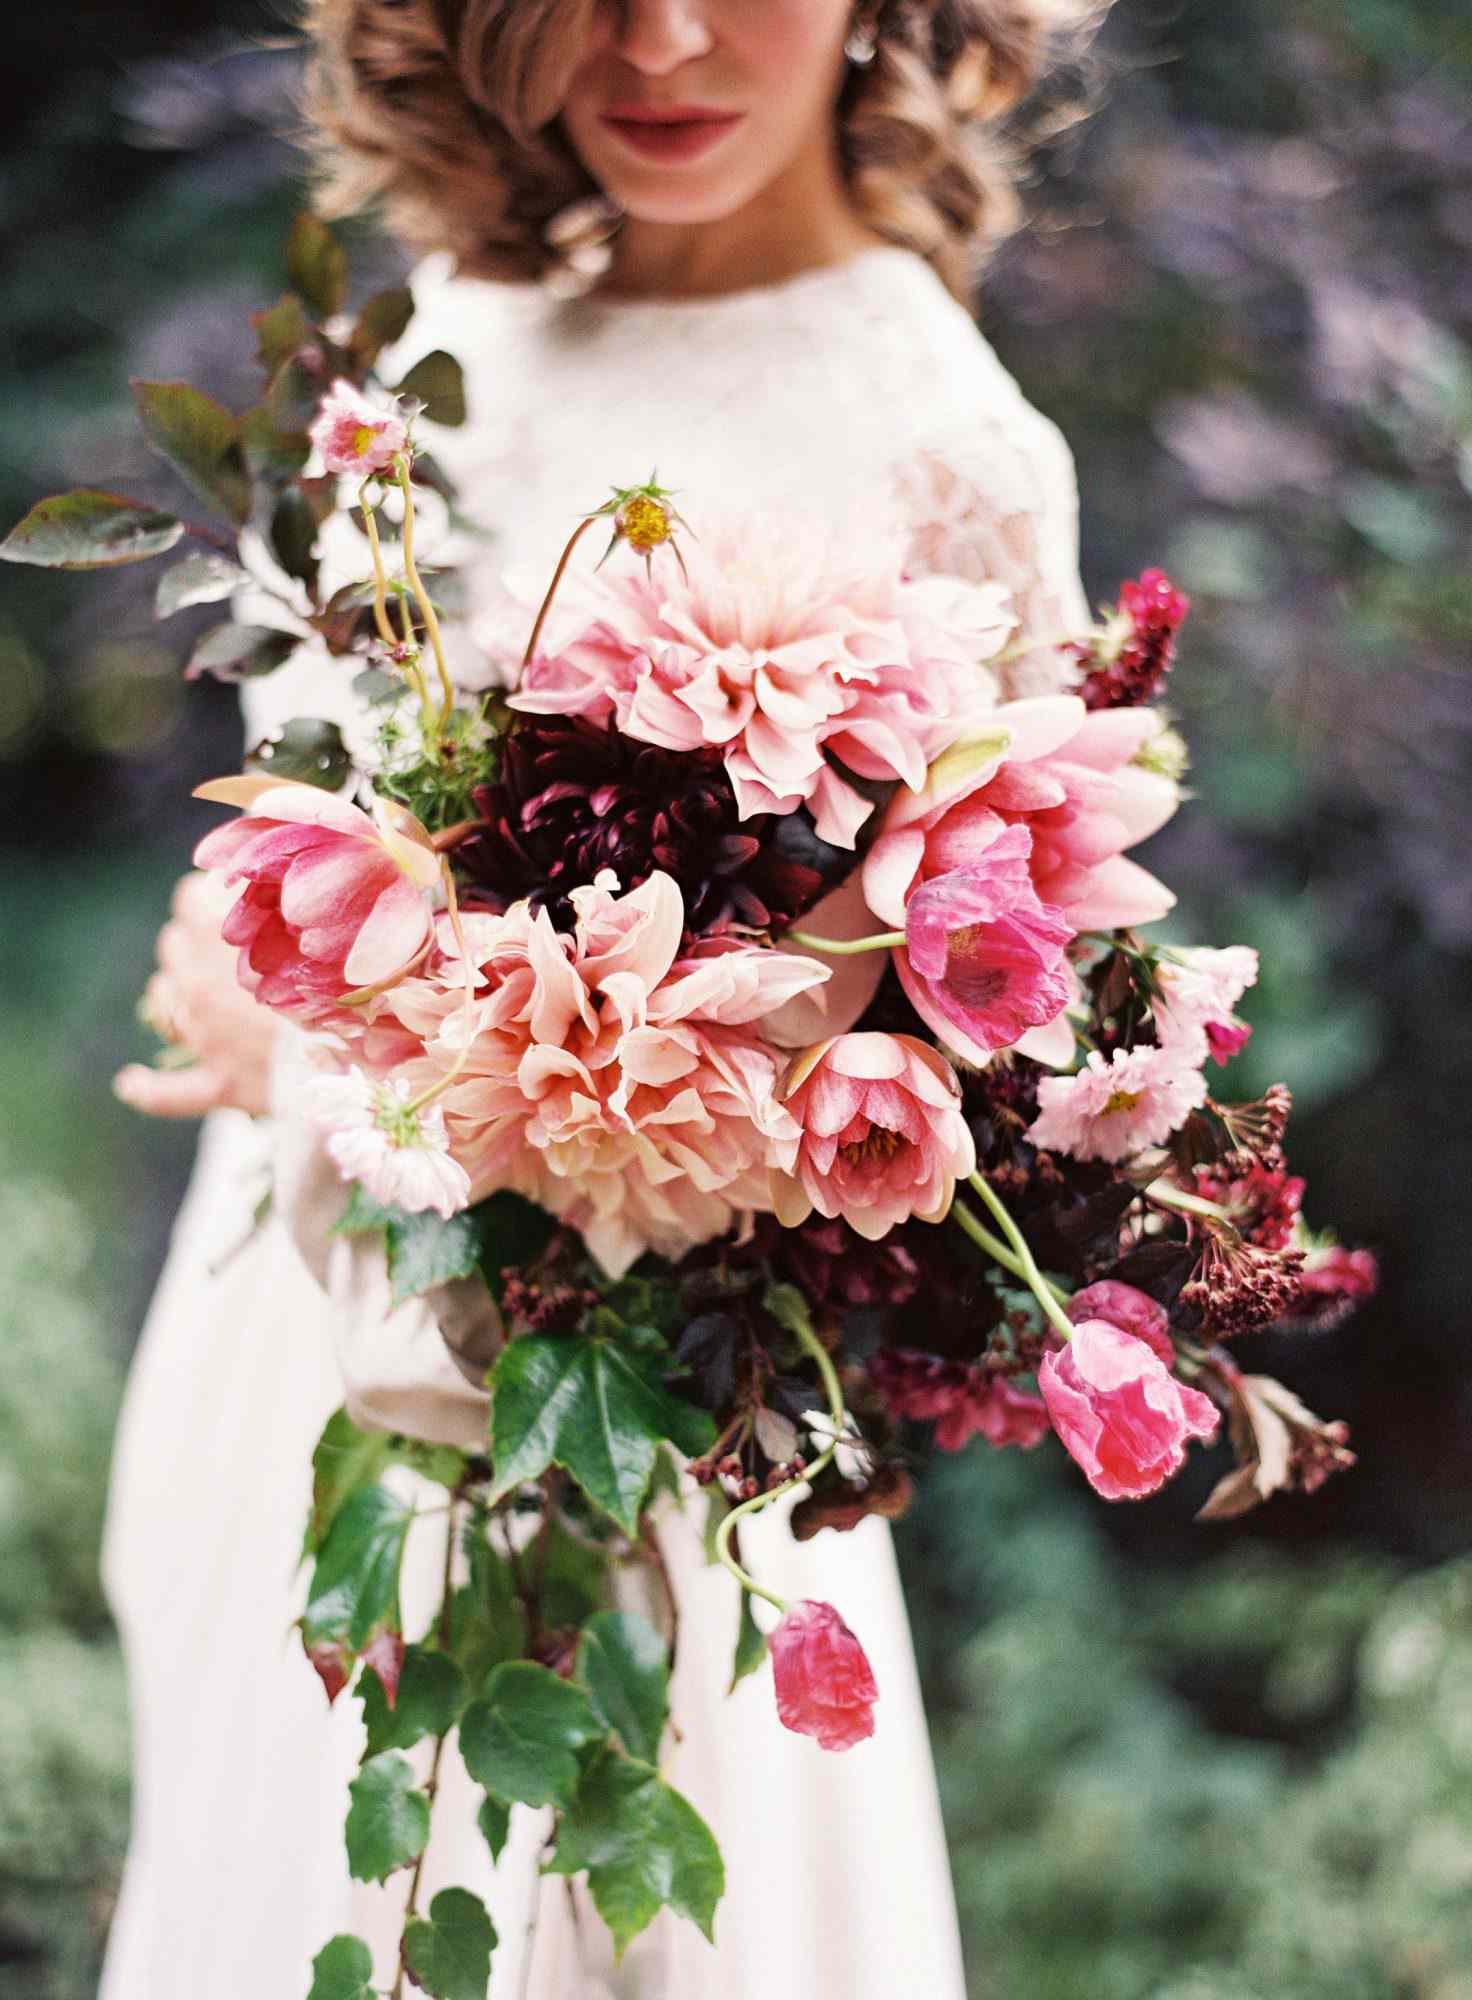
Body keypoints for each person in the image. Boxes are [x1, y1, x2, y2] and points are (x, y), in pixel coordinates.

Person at [101, 2, 1105, 1993]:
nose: (657, 40)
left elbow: (967, 1045)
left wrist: (315, 1048)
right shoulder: (452, 328)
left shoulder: (948, 442)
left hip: (632, 1401)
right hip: (298, 1327)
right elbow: (318, 786)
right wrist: (249, 951)